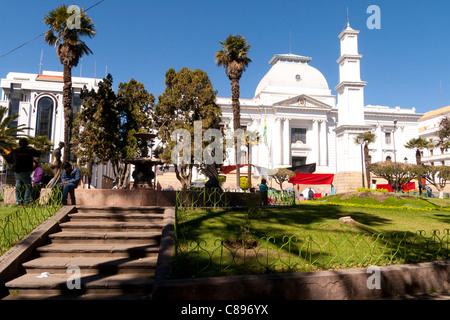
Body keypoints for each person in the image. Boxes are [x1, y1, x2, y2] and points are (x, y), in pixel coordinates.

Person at [1, 138, 41, 205]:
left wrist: (13, 162)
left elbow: (8, 158)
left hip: (17, 170)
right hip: (25, 170)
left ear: (19, 144)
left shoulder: (15, 151)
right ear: (26, 144)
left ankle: (19, 200)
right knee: (28, 185)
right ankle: (26, 200)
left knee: (19, 185)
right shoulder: (29, 151)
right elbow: (38, 153)